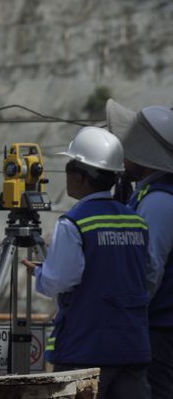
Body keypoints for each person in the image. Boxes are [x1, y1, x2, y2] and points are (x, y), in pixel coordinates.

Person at [22, 126, 151, 398]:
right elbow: (147, 276)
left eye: (69, 167)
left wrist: (41, 275)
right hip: (132, 346)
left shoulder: (74, 222)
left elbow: (59, 280)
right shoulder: (136, 220)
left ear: (81, 176)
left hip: (85, 349)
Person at [107, 99, 173, 399]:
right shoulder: (149, 194)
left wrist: (127, 315)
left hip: (160, 328)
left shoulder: (159, 201)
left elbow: (148, 268)